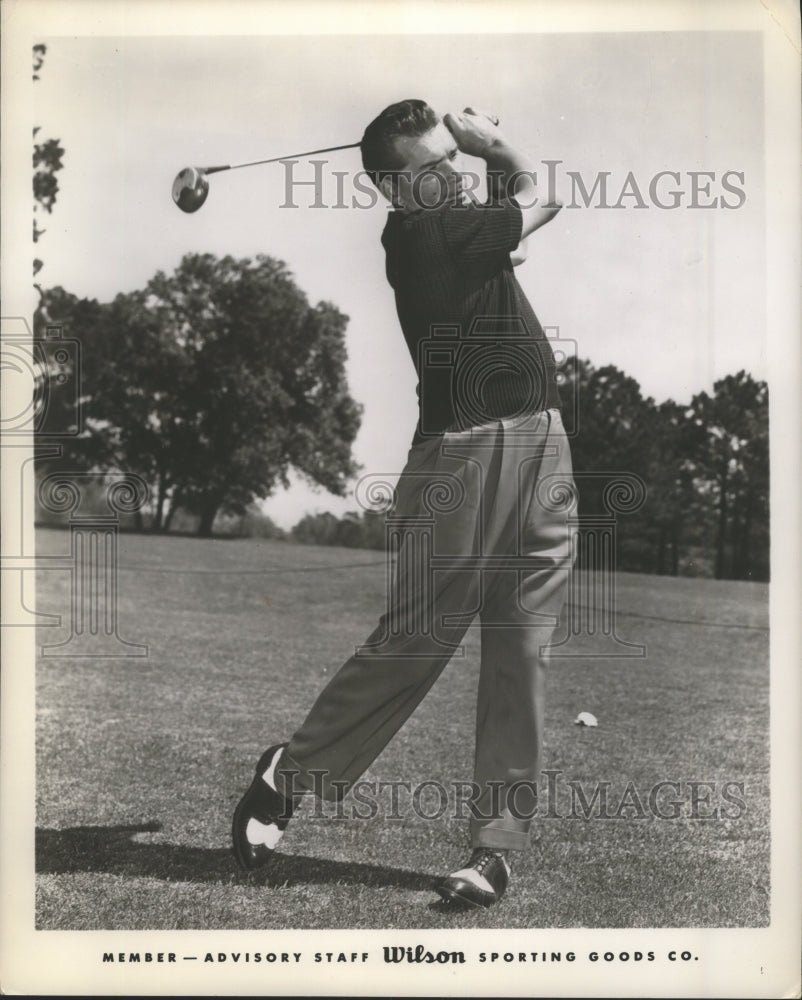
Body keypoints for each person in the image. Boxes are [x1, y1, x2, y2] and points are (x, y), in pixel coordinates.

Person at [232, 100, 576, 909]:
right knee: (418, 641)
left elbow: (512, 214)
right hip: (463, 456)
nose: (451, 178)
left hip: (544, 445)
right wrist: (492, 140)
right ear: (395, 188)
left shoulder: (454, 224)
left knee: (521, 654)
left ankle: (493, 850)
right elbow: (545, 192)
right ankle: (292, 772)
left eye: (452, 163)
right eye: (433, 168)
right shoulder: (421, 234)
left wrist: (471, 158)